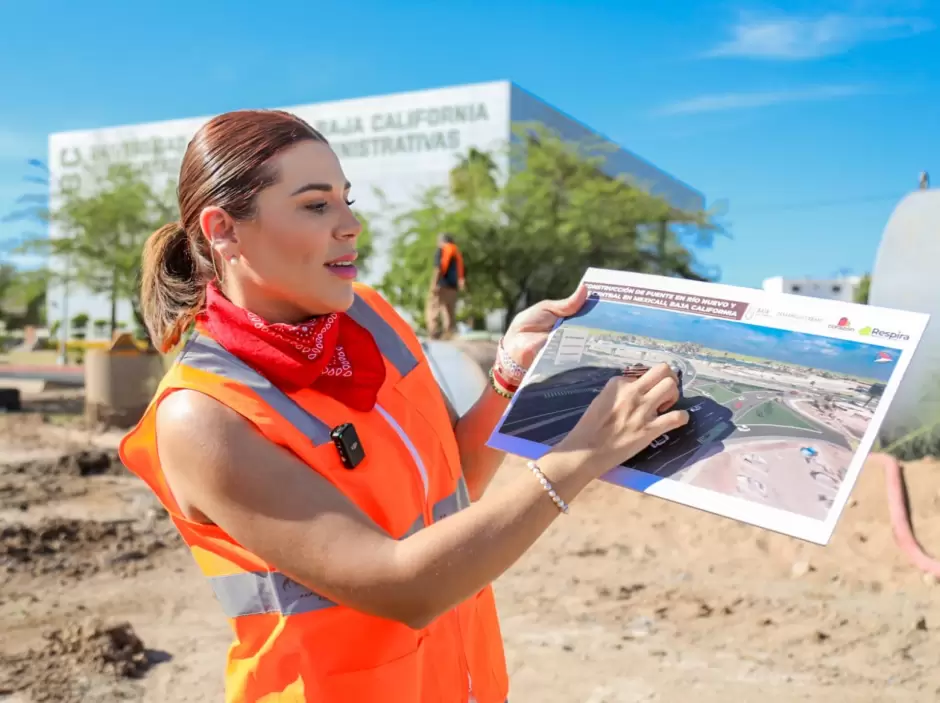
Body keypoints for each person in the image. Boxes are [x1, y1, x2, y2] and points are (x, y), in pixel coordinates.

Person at [119, 108, 689, 703]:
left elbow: (451, 482)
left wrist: (509, 378)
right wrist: (578, 458)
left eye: (347, 199)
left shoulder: (370, 316)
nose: (351, 225)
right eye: (317, 205)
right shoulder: (203, 416)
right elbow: (400, 586)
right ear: (223, 229)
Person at [426, 232, 465, 339]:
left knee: (433, 307)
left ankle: (433, 331)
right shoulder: (456, 252)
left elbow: (438, 268)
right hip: (453, 287)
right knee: (449, 310)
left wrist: (434, 284)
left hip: (441, 285)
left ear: (441, 241)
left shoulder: (442, 250)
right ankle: (449, 332)